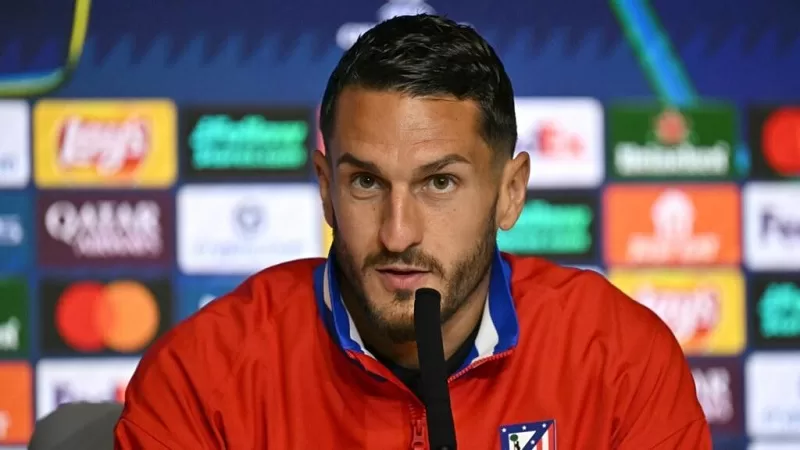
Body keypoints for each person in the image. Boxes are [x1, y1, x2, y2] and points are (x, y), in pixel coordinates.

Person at [114, 14, 711, 449]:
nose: (398, 235)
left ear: (510, 192)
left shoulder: (620, 360)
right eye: (366, 182)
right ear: (325, 188)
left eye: (439, 183)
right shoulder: (202, 376)